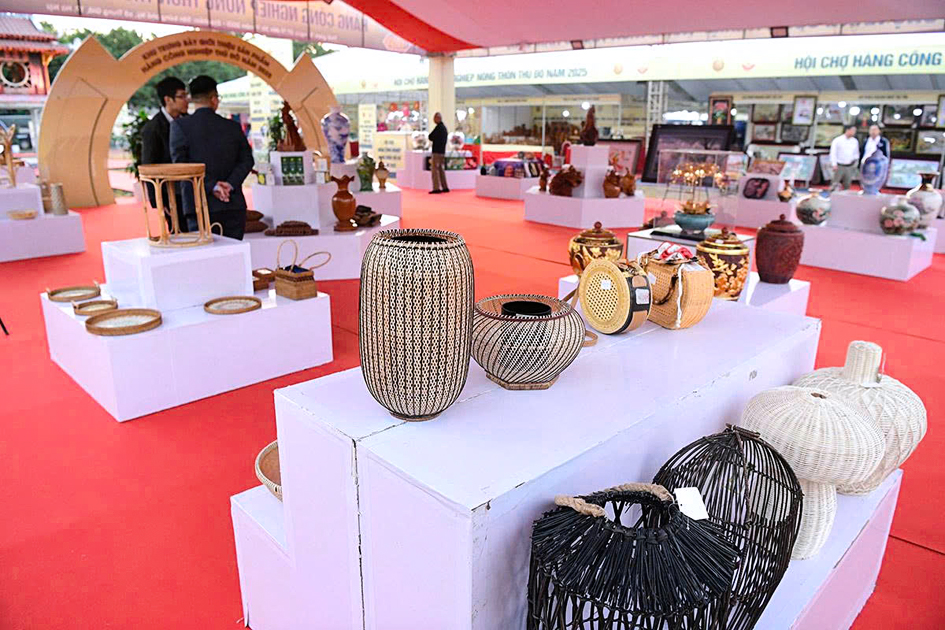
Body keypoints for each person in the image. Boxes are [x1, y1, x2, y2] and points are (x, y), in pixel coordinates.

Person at [170, 75, 254, 240]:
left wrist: (213, 186)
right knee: (234, 253)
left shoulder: (180, 127)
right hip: (232, 203)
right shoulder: (232, 127)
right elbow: (247, 160)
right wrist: (229, 184)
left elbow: (181, 166)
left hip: (198, 205)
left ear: (192, 99)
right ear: (214, 99)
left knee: (203, 254)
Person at [141, 76, 189, 231]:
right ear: (168, 99)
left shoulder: (190, 121)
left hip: (194, 191)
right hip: (172, 195)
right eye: (182, 96)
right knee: (180, 235)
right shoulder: (153, 129)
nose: (186, 100)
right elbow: (149, 167)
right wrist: (159, 201)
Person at [828, 124, 860, 191]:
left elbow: (856, 153)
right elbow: (833, 153)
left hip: (849, 166)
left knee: (847, 184)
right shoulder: (837, 140)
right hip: (839, 165)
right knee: (834, 183)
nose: (854, 132)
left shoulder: (855, 141)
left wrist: (855, 163)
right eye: (853, 130)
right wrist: (834, 164)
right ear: (847, 130)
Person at [428, 111, 449, 194]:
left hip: (436, 151)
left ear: (438, 118)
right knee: (441, 169)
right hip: (442, 151)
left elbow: (430, 136)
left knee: (435, 170)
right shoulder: (444, 128)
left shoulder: (438, 128)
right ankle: (445, 186)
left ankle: (436, 187)